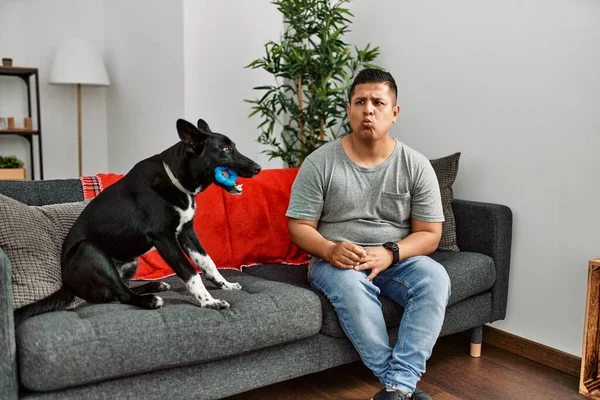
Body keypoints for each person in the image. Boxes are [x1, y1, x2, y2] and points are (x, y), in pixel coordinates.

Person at [286, 68, 451, 400]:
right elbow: (298, 227)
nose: (369, 109)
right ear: (349, 110)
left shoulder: (416, 165)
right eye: (360, 101)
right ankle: (402, 386)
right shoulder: (319, 163)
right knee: (350, 285)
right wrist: (330, 250)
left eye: (378, 101)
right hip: (336, 261)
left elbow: (430, 234)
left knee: (436, 278)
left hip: (394, 258)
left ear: (395, 112)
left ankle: (396, 389)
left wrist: (391, 252)